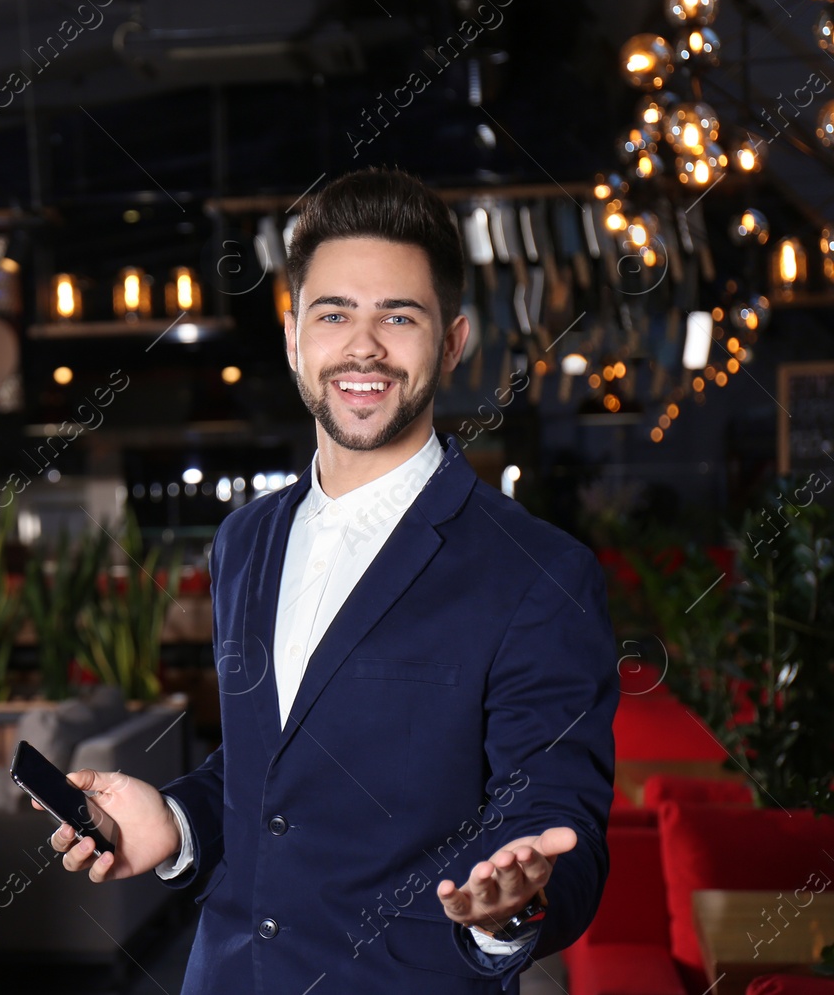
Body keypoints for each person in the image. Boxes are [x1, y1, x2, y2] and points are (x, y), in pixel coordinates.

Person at [41, 168, 618, 994]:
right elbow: (267, 775)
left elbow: (558, 824)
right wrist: (173, 822)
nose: (364, 346)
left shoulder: (539, 572)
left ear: (451, 342)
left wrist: (511, 906)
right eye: (335, 313)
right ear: (293, 338)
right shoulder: (244, 541)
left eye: (399, 316)